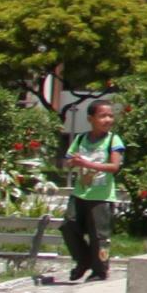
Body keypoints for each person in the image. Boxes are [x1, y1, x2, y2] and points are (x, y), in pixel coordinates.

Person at [62, 97, 123, 281]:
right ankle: (83, 260)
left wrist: (88, 163)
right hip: (80, 192)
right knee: (69, 226)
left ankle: (100, 269)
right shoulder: (81, 138)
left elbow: (114, 167)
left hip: (102, 195)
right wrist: (72, 162)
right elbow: (67, 161)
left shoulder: (113, 139)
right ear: (90, 118)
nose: (107, 120)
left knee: (99, 235)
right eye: (102, 116)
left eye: (110, 116)